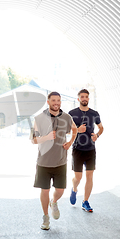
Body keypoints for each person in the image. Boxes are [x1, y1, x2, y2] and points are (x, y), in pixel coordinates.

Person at [31, 92, 77, 230]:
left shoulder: (67, 117)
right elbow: (33, 139)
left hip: (60, 161)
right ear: (48, 101)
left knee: (60, 190)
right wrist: (46, 137)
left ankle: (54, 201)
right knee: (44, 190)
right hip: (43, 162)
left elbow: (74, 129)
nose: (56, 103)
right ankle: (45, 218)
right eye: (53, 100)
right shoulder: (39, 118)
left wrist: (70, 142)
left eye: (58, 100)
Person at [68, 89, 103, 212]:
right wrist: (77, 130)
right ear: (78, 99)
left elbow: (101, 127)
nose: (84, 99)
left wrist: (97, 135)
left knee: (89, 176)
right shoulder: (71, 113)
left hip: (90, 149)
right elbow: (66, 130)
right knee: (78, 178)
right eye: (82, 97)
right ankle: (74, 189)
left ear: (88, 99)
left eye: (86, 97)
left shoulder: (94, 113)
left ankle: (85, 201)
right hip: (77, 149)